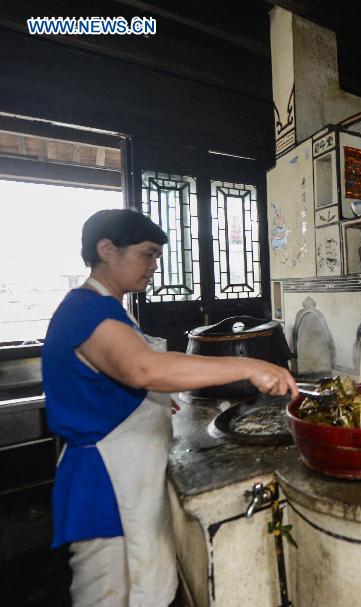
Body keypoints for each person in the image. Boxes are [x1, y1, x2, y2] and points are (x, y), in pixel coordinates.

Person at [42, 209, 298, 607]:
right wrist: (251, 365)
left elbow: (113, 378)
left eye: (157, 257)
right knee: (109, 593)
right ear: (106, 249)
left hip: (131, 471)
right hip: (107, 482)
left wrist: (156, 401)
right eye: (147, 254)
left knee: (140, 588)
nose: (154, 267)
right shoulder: (85, 310)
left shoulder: (110, 308)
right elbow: (141, 368)